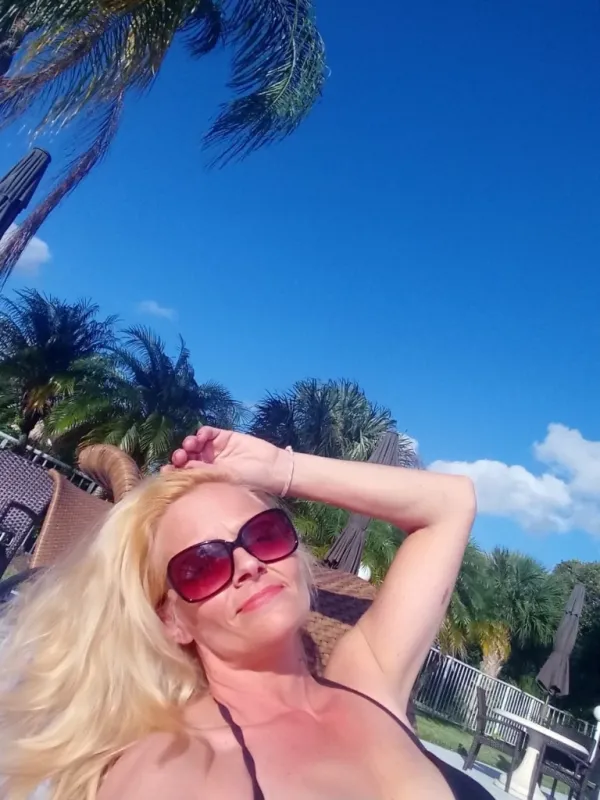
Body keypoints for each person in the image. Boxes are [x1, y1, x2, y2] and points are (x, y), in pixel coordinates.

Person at [0, 427, 491, 800]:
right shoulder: (175, 767)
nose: (248, 564)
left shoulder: (367, 680)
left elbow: (450, 502)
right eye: (202, 565)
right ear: (172, 620)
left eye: (264, 534)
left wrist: (278, 467)